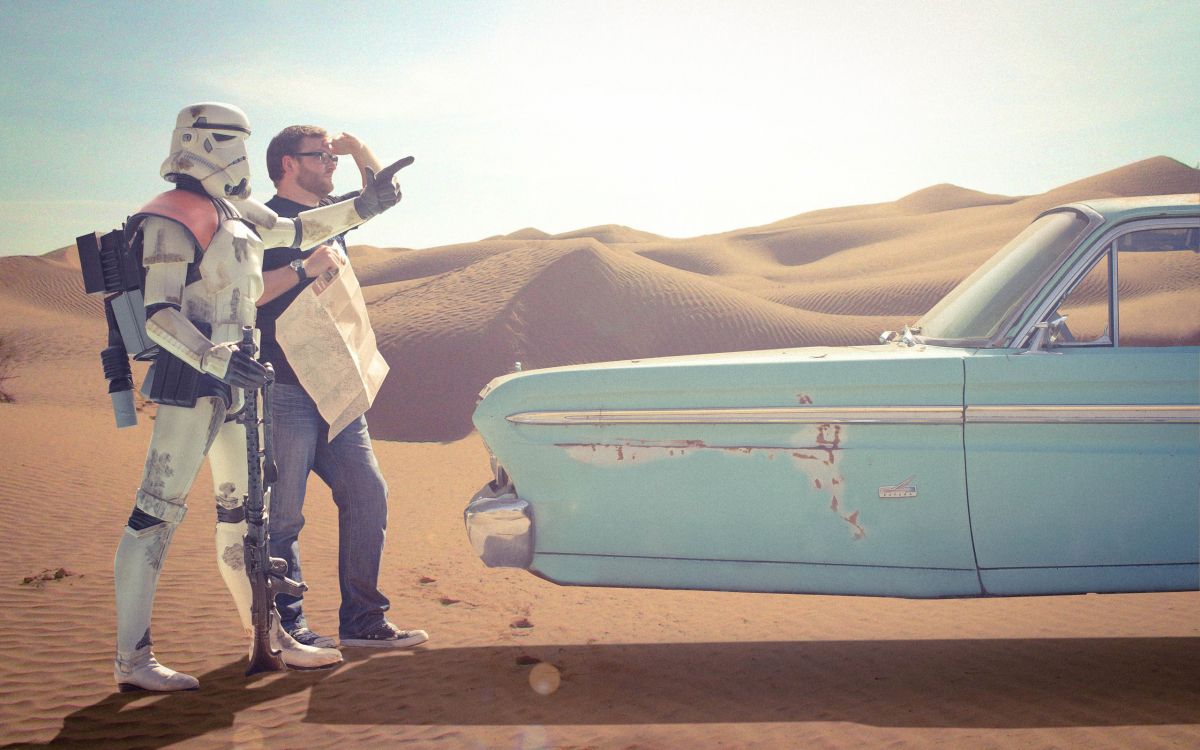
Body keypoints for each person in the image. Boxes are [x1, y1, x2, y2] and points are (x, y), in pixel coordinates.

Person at [112, 103, 406, 692]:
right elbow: (161, 316)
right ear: (196, 142)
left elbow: (302, 230)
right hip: (192, 381)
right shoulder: (169, 217)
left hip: (245, 383)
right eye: (227, 141)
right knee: (156, 514)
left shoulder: (241, 213)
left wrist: (364, 206)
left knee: (244, 520)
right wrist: (215, 357)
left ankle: (273, 634)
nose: (238, 154)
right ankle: (133, 658)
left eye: (242, 141)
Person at [255, 125, 428, 649]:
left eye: (332, 158)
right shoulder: (262, 222)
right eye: (320, 157)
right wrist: (304, 269)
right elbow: (247, 295)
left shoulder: (332, 219)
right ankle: (288, 627)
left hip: (337, 388)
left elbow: (383, 196)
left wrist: (358, 152)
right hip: (283, 387)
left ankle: (362, 622)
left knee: (368, 495)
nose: (330, 165)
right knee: (283, 517)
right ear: (288, 163)